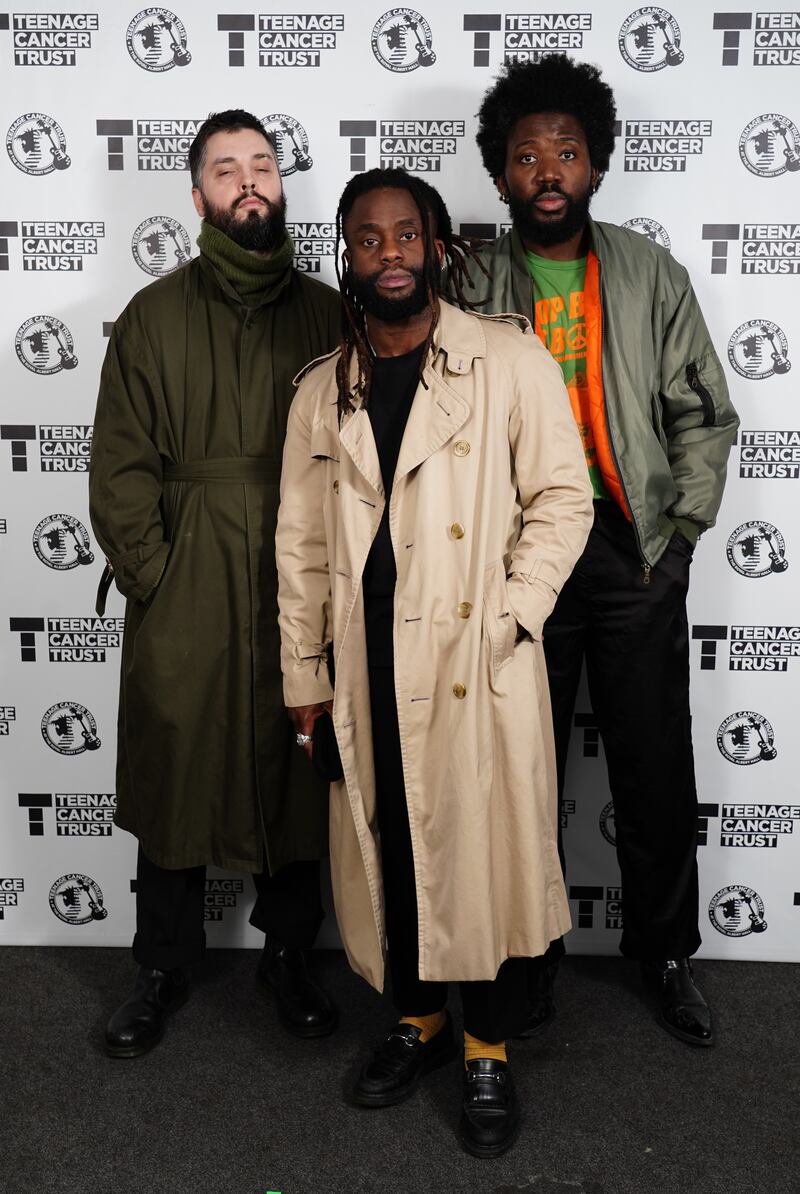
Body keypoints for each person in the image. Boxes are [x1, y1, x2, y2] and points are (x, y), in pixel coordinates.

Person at [275, 168, 593, 1157]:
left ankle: (486, 1045)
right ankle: (414, 1022)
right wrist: (304, 679)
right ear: (347, 257)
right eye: (367, 239)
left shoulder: (506, 360)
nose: (389, 253)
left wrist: (510, 614)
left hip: (470, 655)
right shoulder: (318, 392)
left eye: (405, 234)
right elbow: (300, 545)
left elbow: (560, 501)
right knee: (394, 850)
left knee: (479, 852)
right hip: (363, 661)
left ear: (437, 245)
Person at [470, 55, 739, 1046]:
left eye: (565, 153)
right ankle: (526, 958)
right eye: (525, 156)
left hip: (629, 553)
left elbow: (702, 416)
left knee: (652, 766)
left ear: (595, 164)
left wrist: (675, 539)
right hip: (517, 562)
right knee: (518, 772)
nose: (547, 171)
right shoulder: (469, 278)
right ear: (499, 176)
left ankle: (664, 954)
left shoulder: (646, 273)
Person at [90, 109, 340, 1058]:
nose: (249, 183)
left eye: (264, 167)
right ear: (197, 196)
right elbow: (119, 469)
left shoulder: (329, 312)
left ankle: (290, 957)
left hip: (298, 577)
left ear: (281, 188)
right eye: (227, 169)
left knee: (296, 764)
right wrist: (160, 578)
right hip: (187, 583)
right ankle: (159, 968)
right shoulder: (153, 316)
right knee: (174, 764)